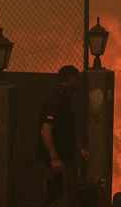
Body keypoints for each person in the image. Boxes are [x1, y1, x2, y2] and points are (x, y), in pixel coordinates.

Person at [38, 65, 89, 206]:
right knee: (57, 199)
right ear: (71, 80)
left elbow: (67, 131)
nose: (77, 84)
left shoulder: (65, 102)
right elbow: (45, 131)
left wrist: (79, 148)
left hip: (66, 160)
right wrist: (54, 158)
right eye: (76, 80)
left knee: (69, 198)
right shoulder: (54, 102)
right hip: (57, 163)